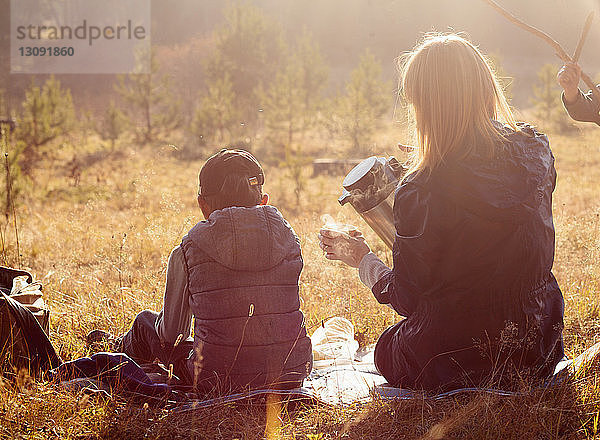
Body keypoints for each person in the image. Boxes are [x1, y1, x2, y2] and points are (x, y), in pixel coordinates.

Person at [319, 34, 565, 391]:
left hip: (461, 354)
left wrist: (362, 259)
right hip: (538, 341)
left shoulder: (423, 188)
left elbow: (409, 298)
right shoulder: (536, 152)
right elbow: (493, 203)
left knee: (388, 347)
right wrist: (428, 164)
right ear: (485, 88)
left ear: (425, 106)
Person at [89, 149, 312, 392]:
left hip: (214, 378)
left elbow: (171, 334)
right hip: (291, 371)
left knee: (145, 322)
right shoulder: (290, 238)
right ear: (263, 201)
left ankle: (118, 348)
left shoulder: (189, 248)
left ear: (203, 205)